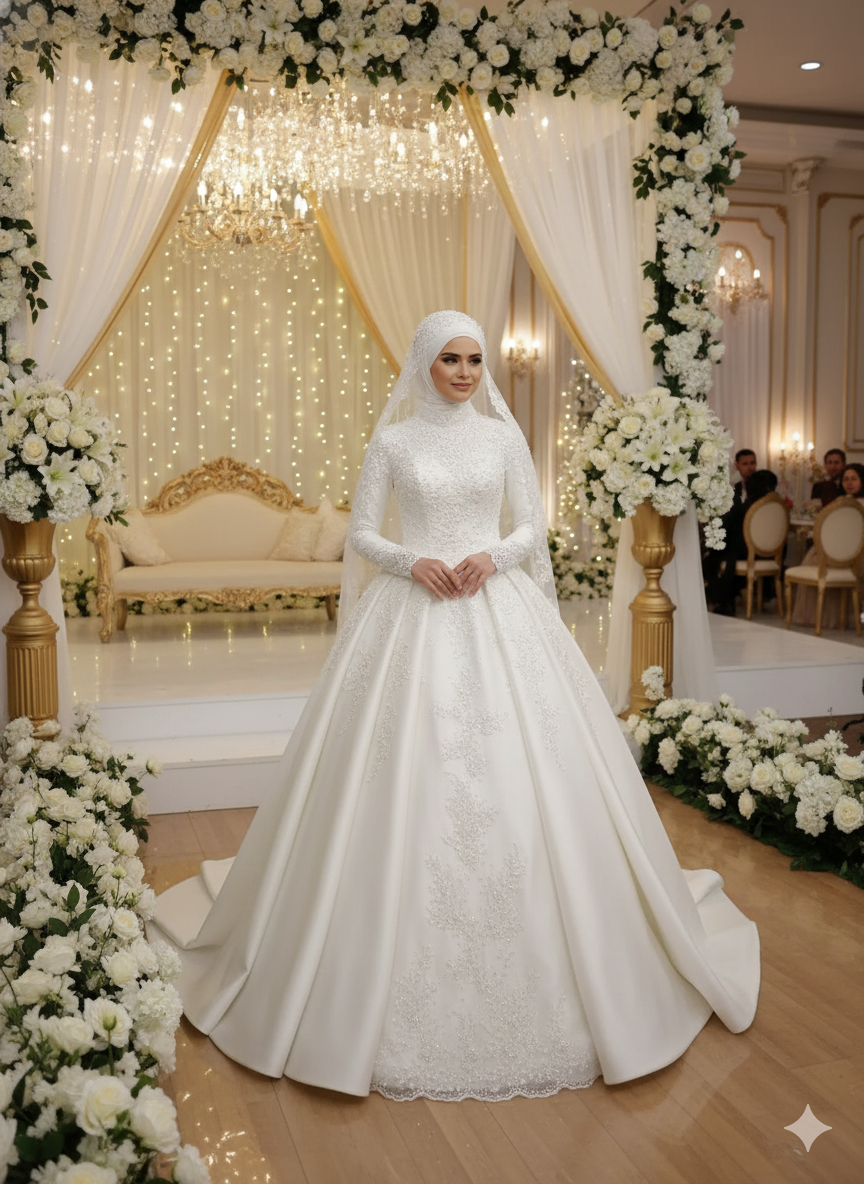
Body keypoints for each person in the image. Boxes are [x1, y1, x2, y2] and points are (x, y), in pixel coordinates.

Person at [150, 311, 759, 1102]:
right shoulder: (395, 443)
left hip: (498, 607)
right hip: (412, 613)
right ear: (423, 365)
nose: (467, 373)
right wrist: (414, 562)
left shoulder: (502, 436)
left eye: (475, 359)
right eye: (452, 360)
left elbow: (531, 525)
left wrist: (491, 556)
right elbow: (363, 534)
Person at [792, 462, 864, 628]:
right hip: (843, 551)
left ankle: (820, 616)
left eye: (854, 479)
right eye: (846, 479)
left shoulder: (849, 504)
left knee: (813, 558)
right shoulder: (841, 501)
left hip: (854, 554)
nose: (849, 483)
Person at [708, 469, 778, 615]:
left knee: (711, 559)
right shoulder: (776, 505)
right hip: (769, 554)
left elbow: (726, 526)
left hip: (745, 553)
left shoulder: (746, 506)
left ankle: (721, 599)